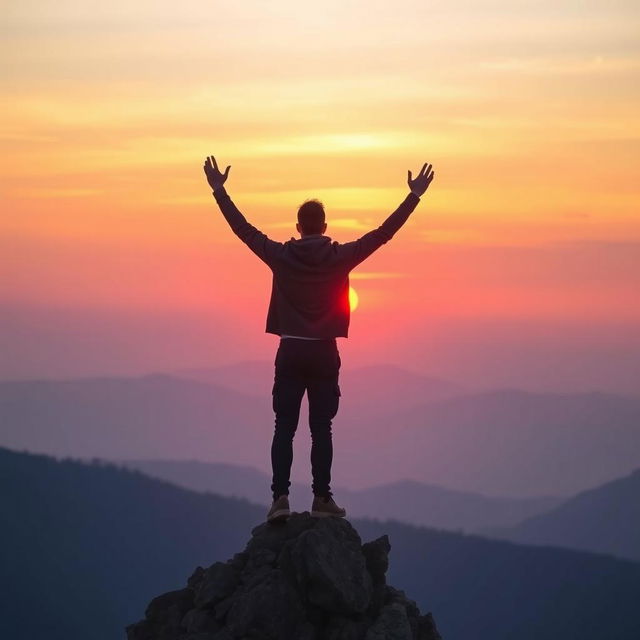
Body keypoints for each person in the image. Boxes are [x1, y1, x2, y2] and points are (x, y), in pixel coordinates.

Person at [203, 156, 435, 523]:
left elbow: (243, 230)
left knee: (284, 428)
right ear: (324, 226)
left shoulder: (281, 255)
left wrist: (219, 190)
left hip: (291, 349)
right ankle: (321, 499)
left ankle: (280, 500)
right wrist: (413, 197)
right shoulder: (340, 257)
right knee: (321, 429)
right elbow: (382, 234)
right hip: (325, 350)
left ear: (298, 227)